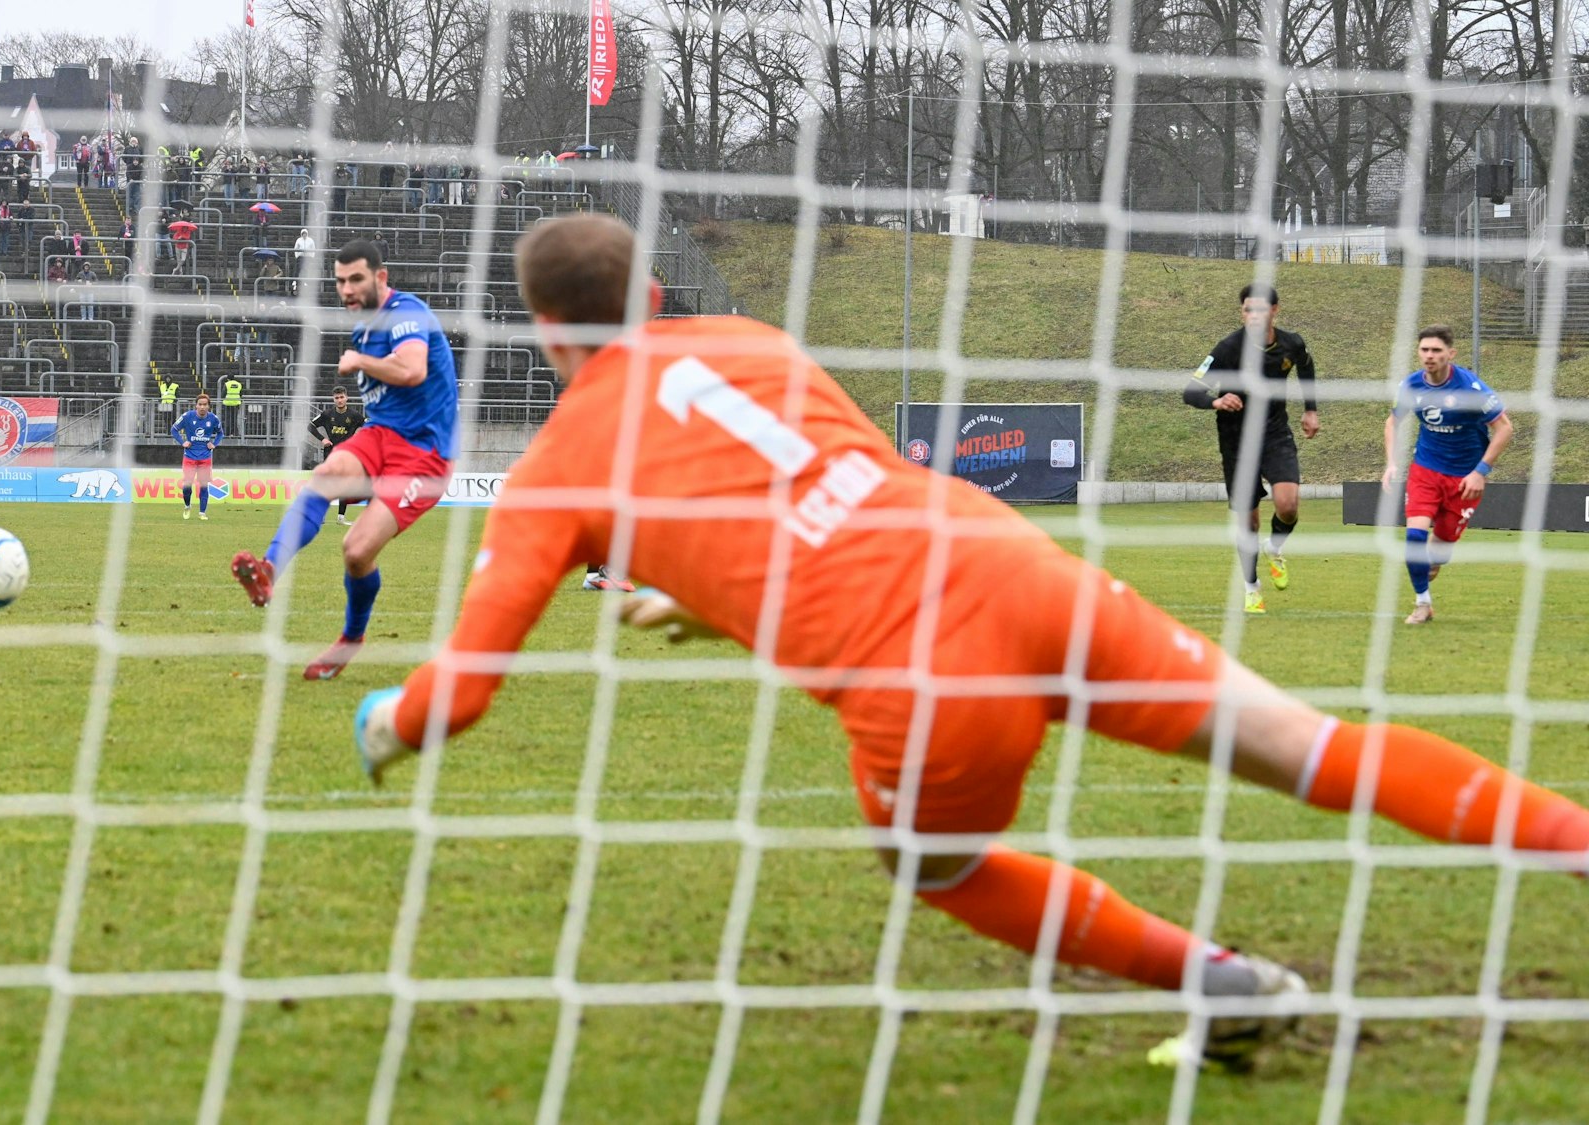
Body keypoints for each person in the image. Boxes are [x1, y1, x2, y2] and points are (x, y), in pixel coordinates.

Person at [350, 214, 1589, 1073]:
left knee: (936, 868)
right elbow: (824, 488)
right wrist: (700, 595)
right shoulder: (752, 345)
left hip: (918, 670)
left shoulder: (558, 466)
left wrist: (386, 722)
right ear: (657, 297)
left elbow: (459, 694)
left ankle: (1229, 987)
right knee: (1305, 746)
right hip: (1011, 569)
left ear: (543, 332)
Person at [231, 238, 458, 681]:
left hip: (425, 452)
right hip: (381, 435)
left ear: (380, 277)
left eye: (356, 279)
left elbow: (413, 370)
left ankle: (351, 639)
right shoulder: (364, 329)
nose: (348, 289)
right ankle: (269, 570)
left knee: (356, 551)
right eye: (340, 281)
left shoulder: (405, 313)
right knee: (326, 472)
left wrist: (361, 362)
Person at [1182, 284, 1319, 615]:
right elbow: (1190, 391)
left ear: (1275, 310)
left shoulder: (1291, 343)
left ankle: (1275, 547)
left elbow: (1306, 367)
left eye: (1260, 309)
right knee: (1250, 523)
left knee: (1288, 506)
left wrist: (1311, 409)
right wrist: (1216, 399)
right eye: (1247, 310)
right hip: (1235, 442)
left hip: (1274, 434)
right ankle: (1252, 587)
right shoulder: (1228, 349)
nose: (1253, 315)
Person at [1381, 325, 1513, 626]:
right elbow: (1392, 422)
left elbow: (1505, 428)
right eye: (1424, 349)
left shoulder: (1471, 389)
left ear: (1450, 354)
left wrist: (1481, 471)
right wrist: (1391, 463)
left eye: (1436, 350)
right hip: (1425, 471)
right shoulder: (1411, 385)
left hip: (1465, 480)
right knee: (1414, 537)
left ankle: (1431, 571)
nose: (1429, 356)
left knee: (1436, 558)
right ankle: (1422, 604)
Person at [307, 386, 366, 525]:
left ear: (346, 398)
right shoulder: (327, 414)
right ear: (333, 399)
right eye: (336, 398)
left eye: (341, 397)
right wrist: (323, 439)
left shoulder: (354, 415)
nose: (339, 400)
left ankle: (341, 517)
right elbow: (310, 426)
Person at [172, 392, 224, 520]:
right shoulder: (187, 416)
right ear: (196, 406)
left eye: (204, 405)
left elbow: (220, 433)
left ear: (208, 407)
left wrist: (214, 443)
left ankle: (202, 513)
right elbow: (174, 429)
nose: (202, 407)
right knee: (187, 486)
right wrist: (182, 442)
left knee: (204, 485)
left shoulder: (213, 419)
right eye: (200, 404)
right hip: (189, 456)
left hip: (205, 457)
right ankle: (187, 505)